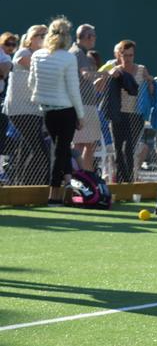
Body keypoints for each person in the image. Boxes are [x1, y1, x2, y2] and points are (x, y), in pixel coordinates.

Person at [28, 17, 83, 206]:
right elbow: (73, 89)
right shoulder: (68, 58)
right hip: (66, 110)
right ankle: (54, 194)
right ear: (67, 36)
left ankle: (68, 183)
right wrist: (81, 115)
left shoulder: (37, 56)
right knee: (61, 151)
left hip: (47, 111)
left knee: (61, 149)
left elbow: (31, 83)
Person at [4, 24, 48, 185]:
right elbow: (29, 64)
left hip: (35, 109)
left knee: (27, 148)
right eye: (40, 35)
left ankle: (20, 184)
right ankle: (27, 183)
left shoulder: (42, 56)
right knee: (39, 149)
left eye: (46, 35)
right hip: (19, 109)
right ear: (30, 39)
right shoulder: (24, 52)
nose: (44, 38)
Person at [102, 40, 147, 183]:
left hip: (135, 115)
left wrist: (151, 82)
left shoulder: (141, 69)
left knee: (128, 148)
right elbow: (97, 83)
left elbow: (150, 86)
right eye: (125, 55)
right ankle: (122, 180)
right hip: (118, 114)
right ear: (119, 55)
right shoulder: (114, 68)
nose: (128, 59)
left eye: (131, 55)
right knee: (118, 149)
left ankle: (129, 180)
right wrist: (109, 73)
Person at [69, 24, 102, 172]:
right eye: (93, 35)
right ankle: (84, 177)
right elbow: (86, 75)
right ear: (87, 37)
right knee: (83, 144)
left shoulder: (76, 52)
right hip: (83, 105)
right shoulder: (79, 53)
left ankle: (85, 176)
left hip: (83, 105)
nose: (95, 38)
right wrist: (105, 74)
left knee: (87, 144)